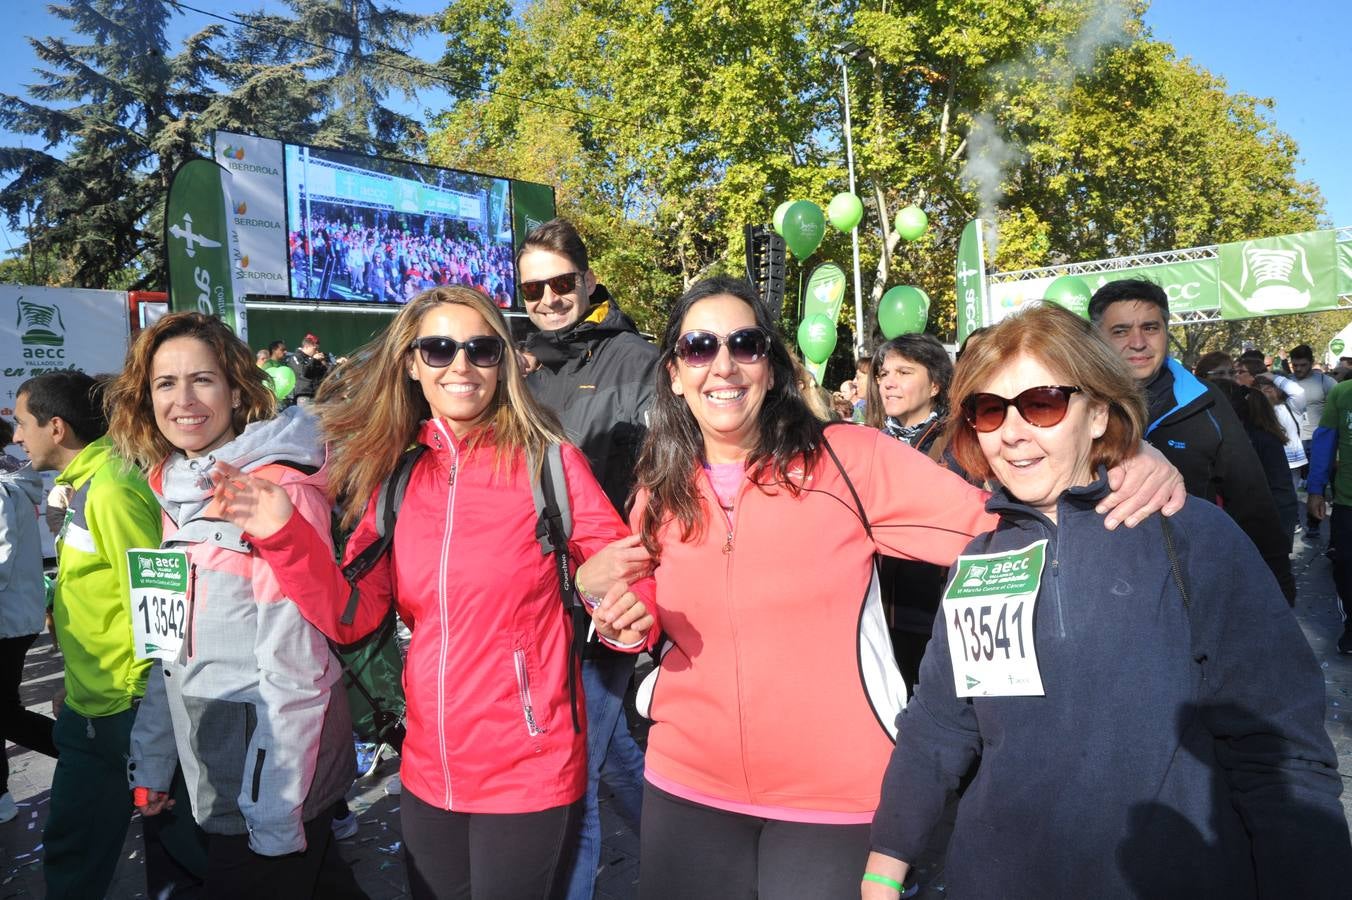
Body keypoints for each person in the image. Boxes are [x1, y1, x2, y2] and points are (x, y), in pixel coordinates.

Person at [598, 276, 1182, 899]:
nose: (723, 365)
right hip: (686, 786)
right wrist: (620, 620)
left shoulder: (850, 458)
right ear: (673, 372)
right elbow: (646, 607)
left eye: (745, 344)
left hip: (833, 799)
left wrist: (1118, 461)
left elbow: (1002, 526)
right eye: (698, 347)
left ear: (770, 367)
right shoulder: (657, 486)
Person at [865, 303, 1352, 899]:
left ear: (1097, 412)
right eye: (989, 411)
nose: (1013, 432)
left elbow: (1278, 750)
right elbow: (941, 724)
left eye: (1041, 404)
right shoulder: (979, 560)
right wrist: (885, 865)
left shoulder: (1191, 536)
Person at [209, 285, 657, 899]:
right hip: (427, 770)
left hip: (529, 766)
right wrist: (285, 534)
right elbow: (351, 615)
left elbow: (626, 582)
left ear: (505, 361)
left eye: (481, 349)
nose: (461, 366)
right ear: (413, 364)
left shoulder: (548, 463)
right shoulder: (396, 476)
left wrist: (619, 613)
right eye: (440, 349)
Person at [105, 312, 361, 898]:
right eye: (165, 383)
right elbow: (167, 648)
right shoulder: (171, 487)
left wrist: (273, 813)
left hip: (274, 773)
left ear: (237, 389)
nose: (183, 400)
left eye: (203, 379)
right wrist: (152, 761)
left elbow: (299, 668)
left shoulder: (277, 488)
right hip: (208, 764)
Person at [517, 218, 657, 900]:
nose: (548, 298)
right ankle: (685, 855)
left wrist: (637, 564)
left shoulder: (636, 360)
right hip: (542, 593)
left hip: (609, 592)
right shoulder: (523, 365)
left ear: (590, 280)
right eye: (533, 288)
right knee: (609, 755)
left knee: (577, 764)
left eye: (561, 283)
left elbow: (669, 474)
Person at [12, 370, 162, 899]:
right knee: (74, 850)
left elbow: (155, 610)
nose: (14, 436)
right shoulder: (89, 486)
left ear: (56, 427)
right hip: (94, 707)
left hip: (124, 713)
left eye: (20, 422)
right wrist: (75, 686)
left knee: (187, 851)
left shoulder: (113, 492)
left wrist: (149, 719)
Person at [1089, 279, 1295, 603]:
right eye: (1121, 331)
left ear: (1166, 331)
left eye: (1150, 327)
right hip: (1100, 594)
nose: (1138, 342)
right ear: (1097, 338)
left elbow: (1251, 499)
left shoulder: (1206, 399)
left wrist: (1278, 587)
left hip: (1193, 594)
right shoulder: (1070, 404)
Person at [860, 333, 957, 692]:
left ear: (934, 384)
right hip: (878, 619)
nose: (888, 383)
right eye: (884, 374)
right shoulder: (867, 444)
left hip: (938, 618)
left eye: (904, 372)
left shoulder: (960, 444)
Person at [0, 416, 57, 825]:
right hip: (14, 619)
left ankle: (87, 757)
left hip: (8, 623)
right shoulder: (10, 486)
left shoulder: (3, 491)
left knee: (5, 713)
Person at [1307, 377, 1352, 653]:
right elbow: (1324, 443)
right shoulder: (1342, 393)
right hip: (1348, 503)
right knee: (1345, 567)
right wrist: (1315, 489)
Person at [1289, 344, 1338, 533]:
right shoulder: (1286, 383)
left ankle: (1314, 523)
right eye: (1295, 365)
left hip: (1319, 441)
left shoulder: (1326, 382)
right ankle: (1294, 521)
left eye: (1302, 365)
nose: (1299, 369)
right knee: (1291, 485)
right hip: (1295, 441)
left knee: (1317, 484)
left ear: (1311, 363)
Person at [1254, 372, 1307, 546]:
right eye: (1262, 388)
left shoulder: (1292, 405)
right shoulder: (1257, 410)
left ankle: (1291, 524)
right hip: (1269, 461)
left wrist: (1273, 376)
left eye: (1270, 387)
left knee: (1288, 496)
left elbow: (1298, 391)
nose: (1266, 391)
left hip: (1292, 461)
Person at [286, 333, 332, 406]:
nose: (317, 351)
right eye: (315, 349)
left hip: (318, 395)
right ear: (307, 347)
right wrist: (314, 360)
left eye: (318, 349)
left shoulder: (314, 358)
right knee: (305, 416)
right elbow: (304, 372)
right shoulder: (296, 357)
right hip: (304, 395)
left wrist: (323, 362)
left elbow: (326, 374)